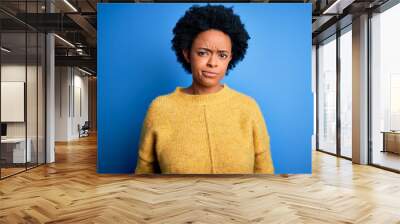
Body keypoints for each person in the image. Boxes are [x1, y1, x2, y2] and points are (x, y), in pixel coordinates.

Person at [135, 4, 274, 174]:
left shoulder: (248, 107)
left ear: (230, 58)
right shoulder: (160, 108)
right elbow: (144, 175)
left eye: (222, 55)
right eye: (203, 53)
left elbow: (265, 174)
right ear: (187, 54)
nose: (213, 63)